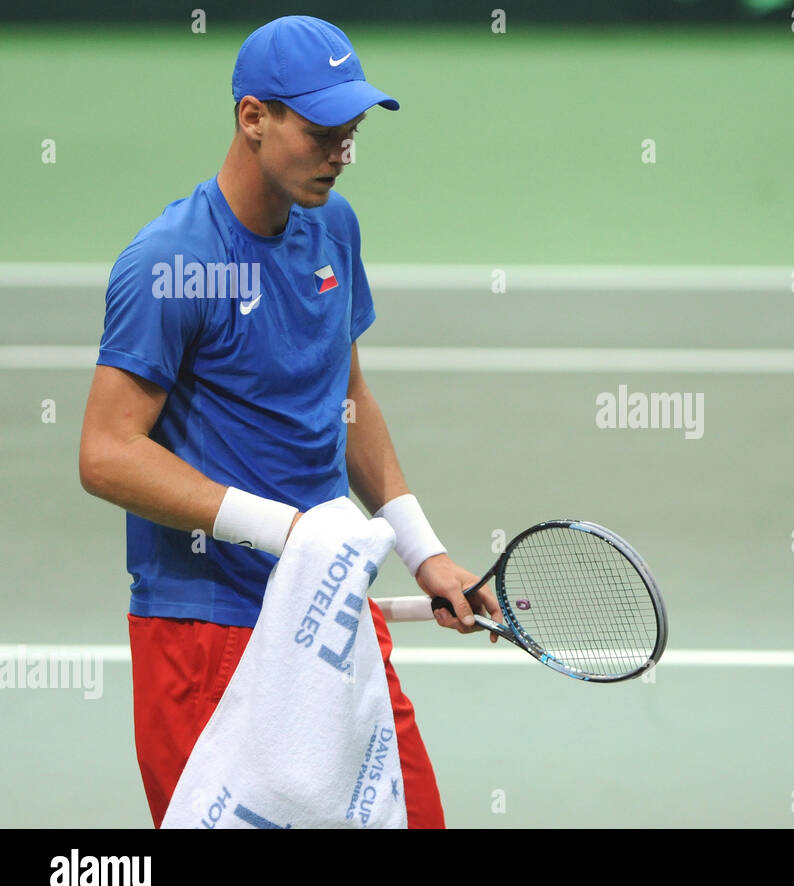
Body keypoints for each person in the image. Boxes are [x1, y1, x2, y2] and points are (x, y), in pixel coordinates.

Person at [78, 15, 501, 829]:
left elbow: (350, 399)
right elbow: (106, 453)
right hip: (208, 635)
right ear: (253, 118)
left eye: (351, 133)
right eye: (320, 132)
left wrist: (423, 549)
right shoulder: (170, 262)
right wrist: (290, 531)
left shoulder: (333, 227)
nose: (341, 152)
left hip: (335, 610)